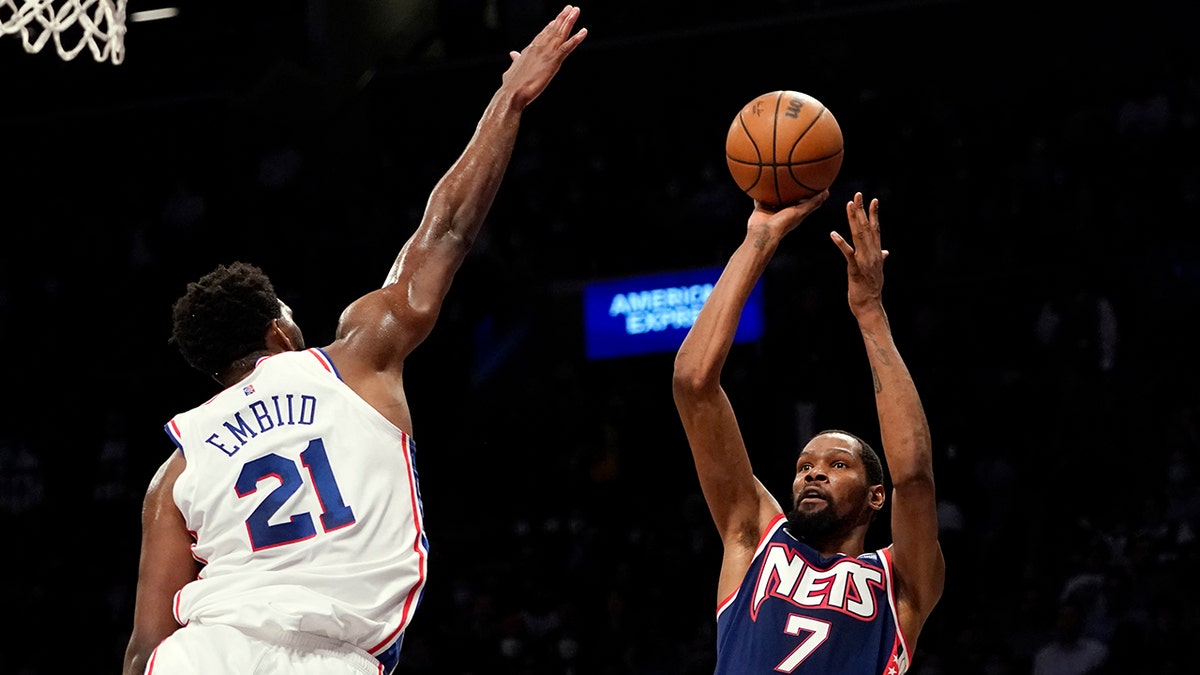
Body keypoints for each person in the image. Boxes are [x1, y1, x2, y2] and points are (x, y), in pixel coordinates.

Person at [121, 7, 587, 674]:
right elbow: (446, 230)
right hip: (332, 658)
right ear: (278, 328)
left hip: (206, 653)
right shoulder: (353, 359)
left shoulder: (177, 467)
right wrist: (508, 97)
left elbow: (144, 647)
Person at [672, 191, 945, 673]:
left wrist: (870, 314)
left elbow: (915, 476)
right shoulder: (755, 536)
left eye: (837, 465)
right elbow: (694, 385)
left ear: (876, 497)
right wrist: (758, 239)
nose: (812, 475)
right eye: (805, 467)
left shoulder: (900, 581)